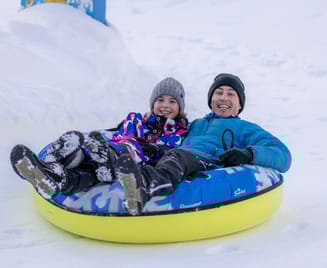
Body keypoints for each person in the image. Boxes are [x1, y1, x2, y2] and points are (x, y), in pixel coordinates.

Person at [115, 73, 292, 215]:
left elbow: (283, 155)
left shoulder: (245, 128)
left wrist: (249, 153)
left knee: (178, 156)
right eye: (219, 93)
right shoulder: (196, 124)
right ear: (211, 100)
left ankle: (145, 187)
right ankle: (105, 170)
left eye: (231, 94)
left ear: (239, 105)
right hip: (176, 155)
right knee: (151, 150)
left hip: (206, 161)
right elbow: (170, 131)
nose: (223, 98)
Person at [10, 77, 188, 199]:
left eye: (172, 101)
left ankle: (94, 160)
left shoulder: (178, 132)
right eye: (161, 100)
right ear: (152, 103)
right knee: (91, 165)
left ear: (180, 108)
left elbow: (168, 153)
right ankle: (53, 175)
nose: (165, 105)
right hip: (114, 148)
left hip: (133, 160)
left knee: (116, 155)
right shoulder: (136, 120)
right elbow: (115, 133)